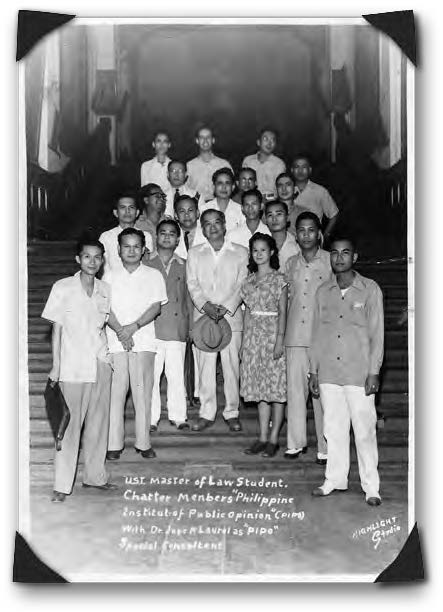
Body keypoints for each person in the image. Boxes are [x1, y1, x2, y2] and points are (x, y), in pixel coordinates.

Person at [309, 237, 384, 506]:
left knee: (364, 430)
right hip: (329, 371)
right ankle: (334, 480)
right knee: (333, 428)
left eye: (346, 253)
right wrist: (313, 371)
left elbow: (377, 334)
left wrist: (374, 371)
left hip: (359, 373)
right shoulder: (322, 291)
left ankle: (371, 486)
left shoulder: (370, 290)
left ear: (355, 257)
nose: (339, 258)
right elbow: (315, 334)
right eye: (335, 253)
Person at [41, 237, 117, 503]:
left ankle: (95, 477)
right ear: (78, 259)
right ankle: (62, 485)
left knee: (98, 425)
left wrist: (107, 360)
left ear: (102, 260)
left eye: (97, 257)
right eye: (87, 256)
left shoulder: (105, 289)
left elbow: (103, 327)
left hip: (100, 365)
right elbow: (57, 328)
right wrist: (56, 365)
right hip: (72, 367)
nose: (92, 261)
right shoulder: (62, 287)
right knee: (69, 428)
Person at [104, 228, 168, 460]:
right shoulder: (109, 276)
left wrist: (133, 327)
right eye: (126, 246)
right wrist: (121, 331)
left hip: (143, 341)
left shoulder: (153, 275)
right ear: (119, 250)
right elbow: (105, 309)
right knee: (116, 395)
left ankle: (143, 442)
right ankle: (114, 444)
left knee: (142, 394)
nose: (131, 251)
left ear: (143, 250)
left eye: (135, 246)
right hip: (115, 341)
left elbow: (155, 306)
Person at [187, 209, 248, 432]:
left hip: (230, 318)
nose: (212, 227)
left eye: (217, 223)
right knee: (205, 367)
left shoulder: (240, 252)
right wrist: (206, 306)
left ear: (224, 225)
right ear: (202, 228)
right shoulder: (195, 253)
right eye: (207, 224)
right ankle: (206, 412)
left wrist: (226, 307)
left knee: (232, 367)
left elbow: (243, 283)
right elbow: (192, 283)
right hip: (204, 317)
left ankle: (232, 412)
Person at [284, 212, 332, 463]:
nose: (306, 235)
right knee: (295, 392)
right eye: (301, 230)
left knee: (322, 394)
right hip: (295, 336)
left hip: (321, 337)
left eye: (311, 230)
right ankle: (295, 442)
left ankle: (325, 447)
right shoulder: (290, 263)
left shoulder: (330, 261)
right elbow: (286, 300)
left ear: (319, 232)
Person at [241, 234, 288, 458]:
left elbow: (283, 313)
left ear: (271, 252)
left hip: (272, 337)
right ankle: (261, 437)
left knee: (276, 390)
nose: (259, 254)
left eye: (263, 250)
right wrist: (244, 343)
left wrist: (279, 340)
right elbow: (248, 313)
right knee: (261, 390)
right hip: (253, 339)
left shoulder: (280, 279)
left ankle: (273, 439)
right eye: (255, 250)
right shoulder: (248, 281)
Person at [147, 220, 190, 430]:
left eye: (171, 234)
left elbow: (188, 299)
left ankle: (179, 416)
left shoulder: (184, 264)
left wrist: (189, 327)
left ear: (178, 239)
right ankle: (151, 418)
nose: (166, 237)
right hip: (151, 328)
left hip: (176, 328)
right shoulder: (146, 262)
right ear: (156, 237)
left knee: (176, 376)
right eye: (162, 233)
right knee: (152, 377)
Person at [99, 192, 153, 274]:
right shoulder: (106, 237)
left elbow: (148, 264)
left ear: (137, 212)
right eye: (123, 207)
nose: (127, 211)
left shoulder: (146, 236)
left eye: (131, 207)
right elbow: (103, 266)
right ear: (116, 213)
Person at [290, 155, 339, 245]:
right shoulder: (286, 191)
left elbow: (334, 215)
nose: (300, 171)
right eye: (297, 167)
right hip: (291, 242)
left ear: (310, 170)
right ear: (292, 170)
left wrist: (325, 235)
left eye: (304, 167)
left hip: (313, 241)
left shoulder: (320, 191)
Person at [186, 125, 233, 201]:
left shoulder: (224, 164)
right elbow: (185, 190)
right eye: (201, 137)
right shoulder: (189, 166)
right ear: (197, 141)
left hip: (219, 208)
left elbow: (231, 188)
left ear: (213, 140)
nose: (205, 140)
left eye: (208, 137)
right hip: (197, 207)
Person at [242, 128, 286, 201]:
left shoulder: (279, 164)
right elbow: (243, 186)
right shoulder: (248, 161)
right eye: (266, 139)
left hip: (271, 203)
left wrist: (264, 199)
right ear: (258, 142)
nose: (269, 143)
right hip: (250, 202)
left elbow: (279, 190)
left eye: (273, 140)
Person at [200, 168, 245, 233]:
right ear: (213, 187)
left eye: (227, 183)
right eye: (220, 183)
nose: (224, 187)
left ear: (233, 187)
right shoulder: (204, 209)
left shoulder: (241, 211)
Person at [264, 200, 300, 269]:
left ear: (287, 218)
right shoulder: (261, 245)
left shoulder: (298, 245)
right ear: (266, 220)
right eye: (270, 215)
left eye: (279, 214)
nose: (274, 219)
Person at [135, 183, 167, 251]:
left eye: (163, 196)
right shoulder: (137, 225)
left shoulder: (170, 222)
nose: (161, 199)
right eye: (157, 196)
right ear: (146, 200)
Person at [174, 195, 206, 260]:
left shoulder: (207, 233)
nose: (186, 214)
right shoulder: (171, 234)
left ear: (197, 213)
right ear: (176, 215)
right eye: (182, 211)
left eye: (190, 210)